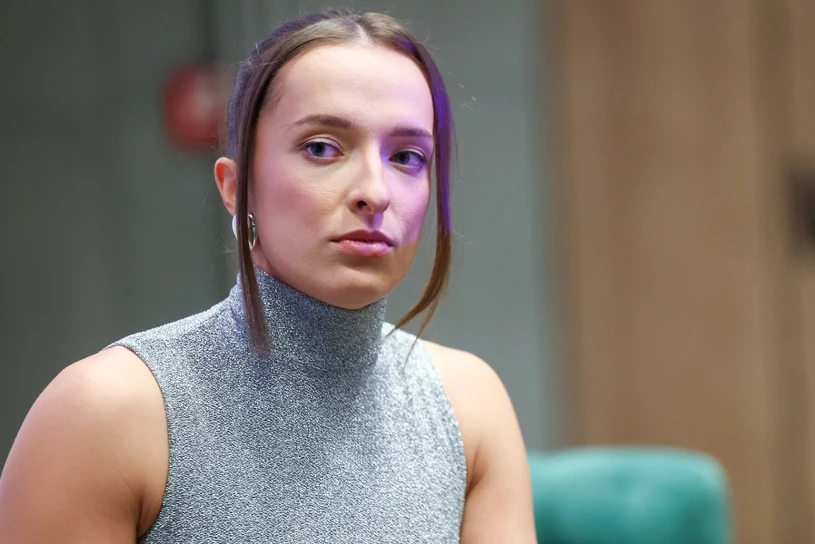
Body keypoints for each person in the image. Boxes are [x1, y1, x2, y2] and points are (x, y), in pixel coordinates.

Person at [0, 9, 535, 543]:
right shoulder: (109, 412)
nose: (375, 191)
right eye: (322, 148)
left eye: (407, 156)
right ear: (236, 188)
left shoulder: (469, 407)